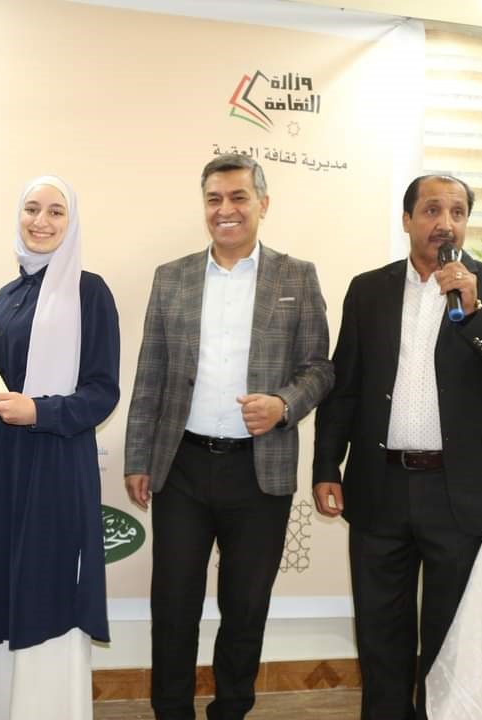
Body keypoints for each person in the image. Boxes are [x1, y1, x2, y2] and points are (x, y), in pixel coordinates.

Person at [124, 154, 334, 720]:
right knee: (173, 606)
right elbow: (151, 373)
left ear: (263, 203)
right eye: (214, 199)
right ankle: (171, 711)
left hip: (259, 470)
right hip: (182, 466)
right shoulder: (172, 277)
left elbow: (319, 368)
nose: (226, 209)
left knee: (245, 607)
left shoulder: (297, 276)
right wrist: (138, 457)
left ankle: (231, 709)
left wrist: (284, 405)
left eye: (238, 197)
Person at [313, 174, 482, 719]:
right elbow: (346, 384)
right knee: (380, 636)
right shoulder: (369, 289)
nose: (445, 223)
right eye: (432, 210)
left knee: (452, 639)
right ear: (407, 219)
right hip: (381, 486)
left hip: (464, 495)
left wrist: (476, 312)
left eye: (457, 212)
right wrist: (326, 465)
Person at [0, 175, 120, 720]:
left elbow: (102, 391)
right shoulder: (6, 295)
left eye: (55, 211)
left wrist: (40, 411)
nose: (41, 221)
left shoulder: (88, 291)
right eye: (31, 209)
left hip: (54, 465)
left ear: (72, 222)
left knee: (46, 589)